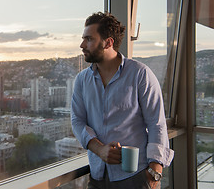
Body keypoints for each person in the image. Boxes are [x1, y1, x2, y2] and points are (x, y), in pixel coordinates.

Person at [71, 12, 174, 189]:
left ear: (108, 42)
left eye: (89, 39)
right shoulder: (81, 80)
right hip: (98, 176)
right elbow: (77, 121)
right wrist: (99, 150)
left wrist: (155, 174)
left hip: (136, 177)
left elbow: (157, 124)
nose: (82, 45)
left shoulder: (140, 74)